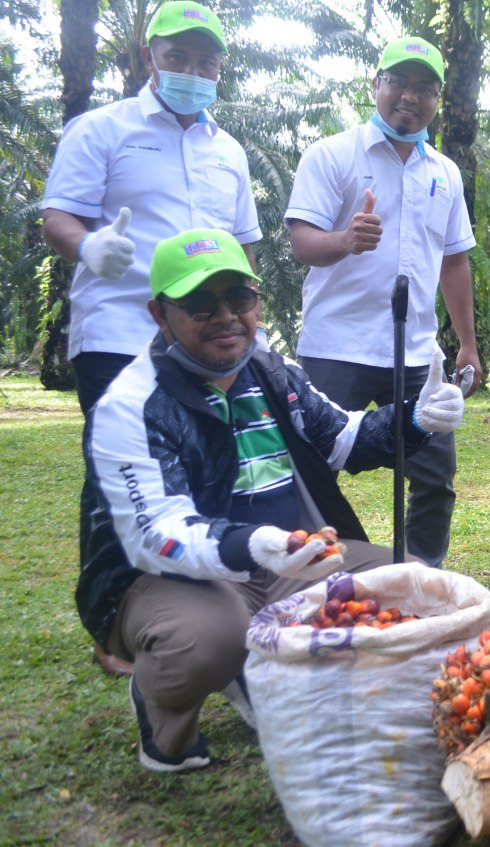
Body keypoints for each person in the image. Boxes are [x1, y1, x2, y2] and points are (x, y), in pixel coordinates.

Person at [80, 229, 463, 772]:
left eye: (239, 298)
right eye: (199, 304)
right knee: (206, 640)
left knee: (417, 587)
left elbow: (342, 437)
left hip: (290, 558)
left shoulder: (272, 371)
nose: (226, 316)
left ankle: (264, 672)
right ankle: (162, 709)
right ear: (159, 315)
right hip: (169, 578)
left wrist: (416, 419)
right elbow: (155, 533)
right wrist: (253, 544)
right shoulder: (131, 404)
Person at [41, 0, 261, 676]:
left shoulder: (228, 149)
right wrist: (90, 246)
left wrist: (252, 318)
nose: (192, 70)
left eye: (205, 60)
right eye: (179, 57)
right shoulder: (101, 130)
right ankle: (114, 623)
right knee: (117, 473)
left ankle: (195, 598)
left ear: (220, 66)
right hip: (118, 327)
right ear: (150, 58)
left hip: (204, 336)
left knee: (202, 462)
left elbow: (245, 241)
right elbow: (59, 215)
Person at [286, 37, 479, 568]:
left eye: (425, 88)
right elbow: (301, 240)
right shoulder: (331, 154)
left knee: (435, 477)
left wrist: (466, 342)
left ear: (438, 99)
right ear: (376, 85)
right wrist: (345, 241)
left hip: (417, 355)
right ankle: (318, 579)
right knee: (312, 473)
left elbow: (455, 260)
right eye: (399, 82)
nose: (410, 97)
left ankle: (420, 575)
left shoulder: (445, 172)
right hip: (337, 346)